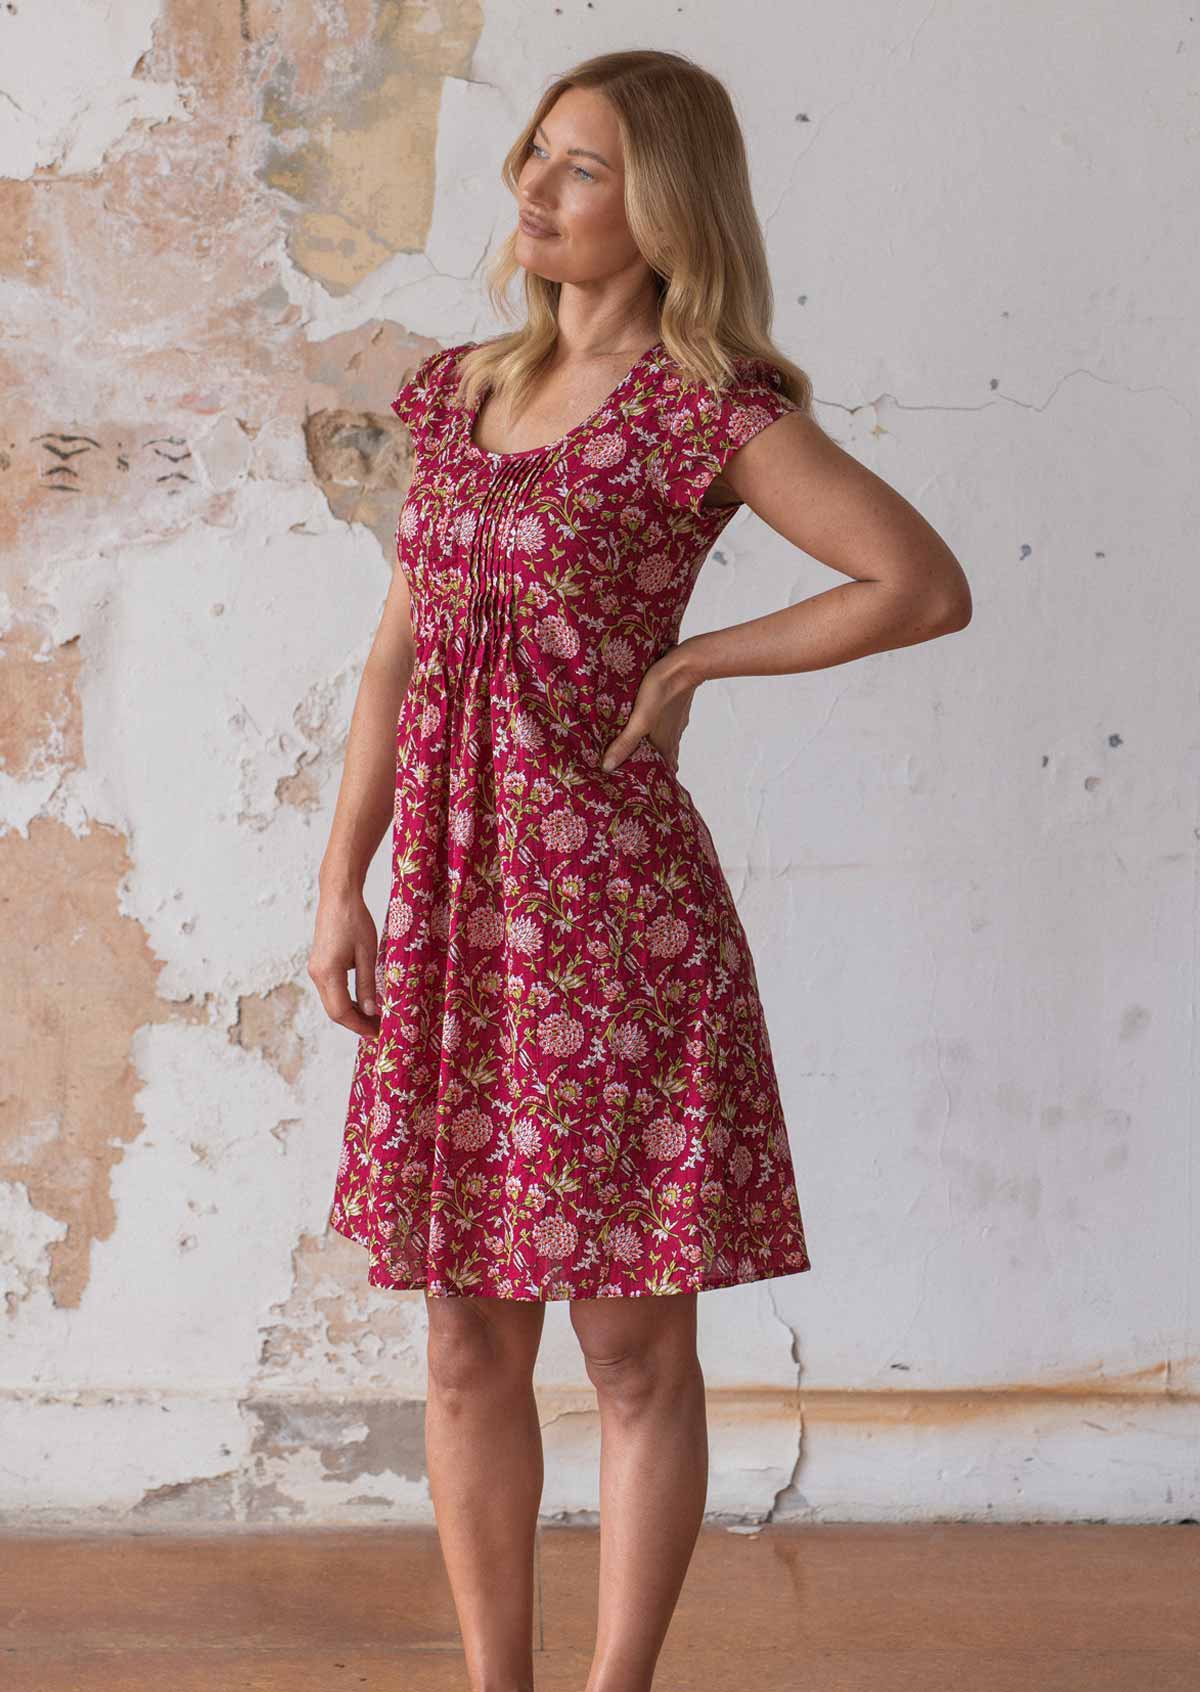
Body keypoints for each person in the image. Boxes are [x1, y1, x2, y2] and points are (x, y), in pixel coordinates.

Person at [309, 46, 971, 1692]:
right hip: (459, 912)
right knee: (464, 1336)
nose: (533, 188)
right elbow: (397, 655)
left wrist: (693, 667)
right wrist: (344, 882)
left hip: (611, 913)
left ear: (662, 200)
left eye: (582, 166)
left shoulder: (709, 406)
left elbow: (916, 581)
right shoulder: (452, 391)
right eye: (533, 154)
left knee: (628, 1343)